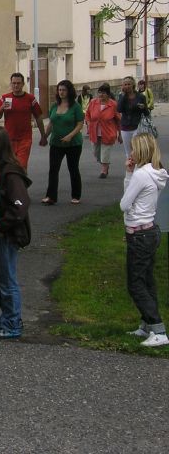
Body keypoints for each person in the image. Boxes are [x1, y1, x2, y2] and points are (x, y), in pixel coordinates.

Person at [120, 133, 169, 347]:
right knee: (147, 281)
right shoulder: (156, 172)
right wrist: (129, 173)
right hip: (149, 231)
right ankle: (147, 324)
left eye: (133, 148)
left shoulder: (141, 175)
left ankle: (158, 329)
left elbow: (124, 203)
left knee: (136, 284)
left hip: (138, 234)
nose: (130, 152)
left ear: (140, 150)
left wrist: (130, 176)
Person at [0, 127, 32, 340]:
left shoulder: (11, 173)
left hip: (7, 234)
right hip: (0, 231)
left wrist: (1, 225)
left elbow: (20, 206)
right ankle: (7, 317)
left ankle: (13, 322)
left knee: (6, 280)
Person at [42, 79, 84, 205]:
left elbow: (80, 124)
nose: (61, 92)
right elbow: (51, 123)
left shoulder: (75, 107)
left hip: (73, 144)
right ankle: (51, 196)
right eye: (59, 90)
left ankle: (76, 195)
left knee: (73, 168)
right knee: (53, 169)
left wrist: (70, 136)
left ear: (69, 91)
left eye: (64, 90)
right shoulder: (54, 106)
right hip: (56, 143)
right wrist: (45, 136)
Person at [0, 72, 47, 170]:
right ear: (11, 84)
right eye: (14, 83)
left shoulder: (30, 99)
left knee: (21, 167)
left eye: (18, 83)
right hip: (9, 139)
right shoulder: (5, 98)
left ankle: (21, 180)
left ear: (23, 84)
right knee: (10, 166)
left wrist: (43, 135)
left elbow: (38, 117)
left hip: (25, 139)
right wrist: (2, 108)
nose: (16, 85)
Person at [85, 83, 122, 179]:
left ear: (108, 94)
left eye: (104, 93)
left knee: (105, 153)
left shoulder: (113, 105)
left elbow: (118, 120)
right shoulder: (93, 102)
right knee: (96, 153)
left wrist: (120, 134)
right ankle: (105, 164)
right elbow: (87, 114)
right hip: (94, 132)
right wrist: (88, 123)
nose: (101, 95)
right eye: (100, 92)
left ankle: (104, 170)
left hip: (108, 133)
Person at [117, 76, 147, 158]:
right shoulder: (122, 96)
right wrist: (123, 96)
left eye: (129, 84)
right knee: (128, 152)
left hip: (137, 127)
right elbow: (119, 109)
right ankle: (130, 166)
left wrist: (143, 107)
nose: (127, 86)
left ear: (133, 85)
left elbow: (146, 113)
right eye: (125, 84)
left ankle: (139, 165)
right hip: (125, 127)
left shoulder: (141, 97)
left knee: (137, 150)